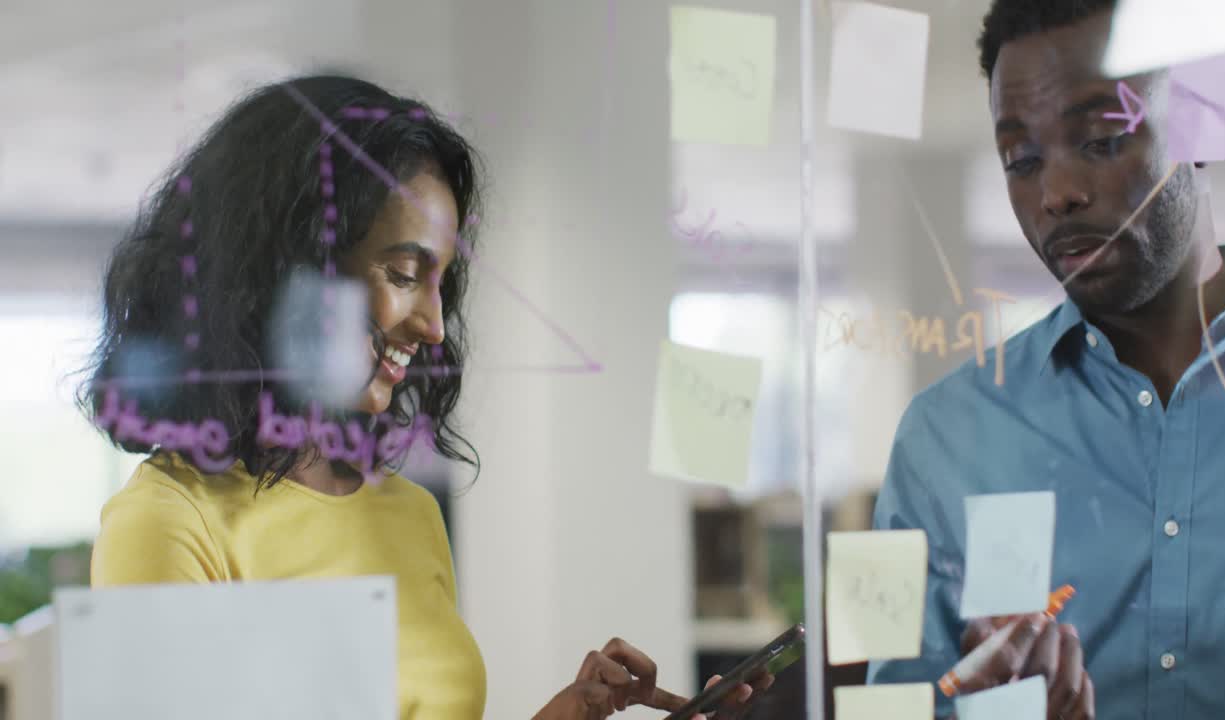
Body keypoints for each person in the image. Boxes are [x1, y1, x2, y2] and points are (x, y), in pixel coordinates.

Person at [79, 75, 767, 720]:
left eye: (441, 283)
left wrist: (572, 711)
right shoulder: (166, 525)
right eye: (405, 273)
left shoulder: (406, 514)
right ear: (288, 273)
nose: (435, 325)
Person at [866, 1, 1225, 718]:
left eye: (1097, 139)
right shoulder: (941, 442)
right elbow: (890, 707)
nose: (1056, 194)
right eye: (1021, 160)